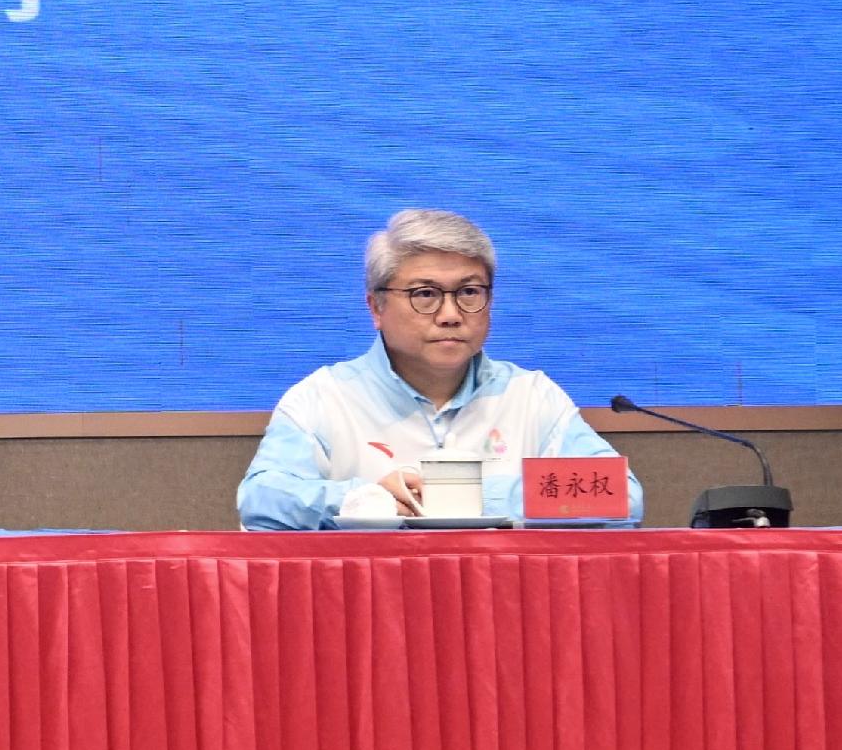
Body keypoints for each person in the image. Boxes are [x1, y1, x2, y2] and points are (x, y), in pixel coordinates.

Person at [236, 206, 643, 527]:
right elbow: (262, 499)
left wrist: (463, 496)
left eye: (468, 292)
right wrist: (366, 500)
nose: (450, 314)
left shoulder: (530, 396)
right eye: (425, 294)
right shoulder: (323, 398)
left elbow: (622, 495)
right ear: (375, 307)